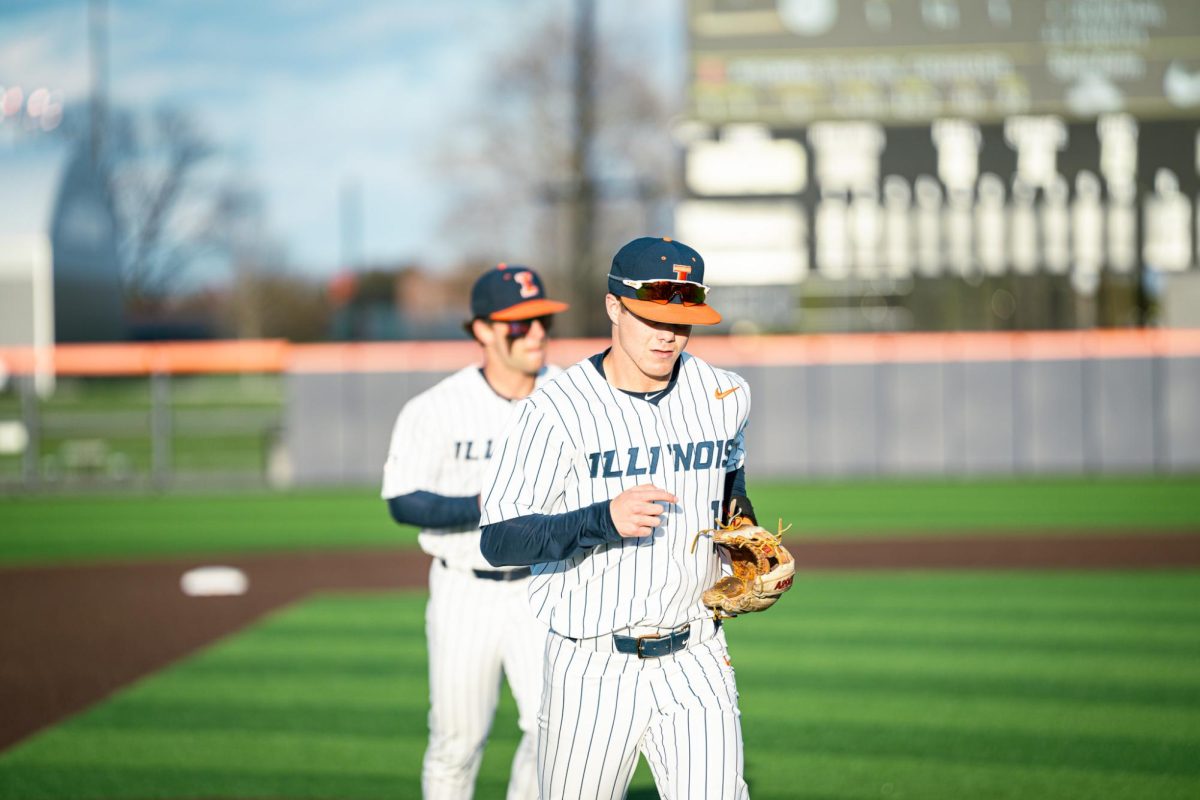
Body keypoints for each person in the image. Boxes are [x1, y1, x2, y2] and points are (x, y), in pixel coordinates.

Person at [478, 236, 757, 799]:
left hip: (697, 654)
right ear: (613, 307)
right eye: (651, 318)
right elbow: (500, 539)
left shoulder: (725, 394)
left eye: (681, 322)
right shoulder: (555, 410)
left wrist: (745, 538)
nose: (668, 335)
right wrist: (602, 519)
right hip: (593, 663)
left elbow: (731, 486)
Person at [381, 263, 569, 800]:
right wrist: (486, 505)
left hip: (543, 585)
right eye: (519, 323)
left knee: (553, 731)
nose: (536, 333)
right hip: (465, 590)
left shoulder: (571, 396)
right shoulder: (438, 407)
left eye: (543, 321)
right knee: (456, 743)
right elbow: (404, 500)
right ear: (483, 330)